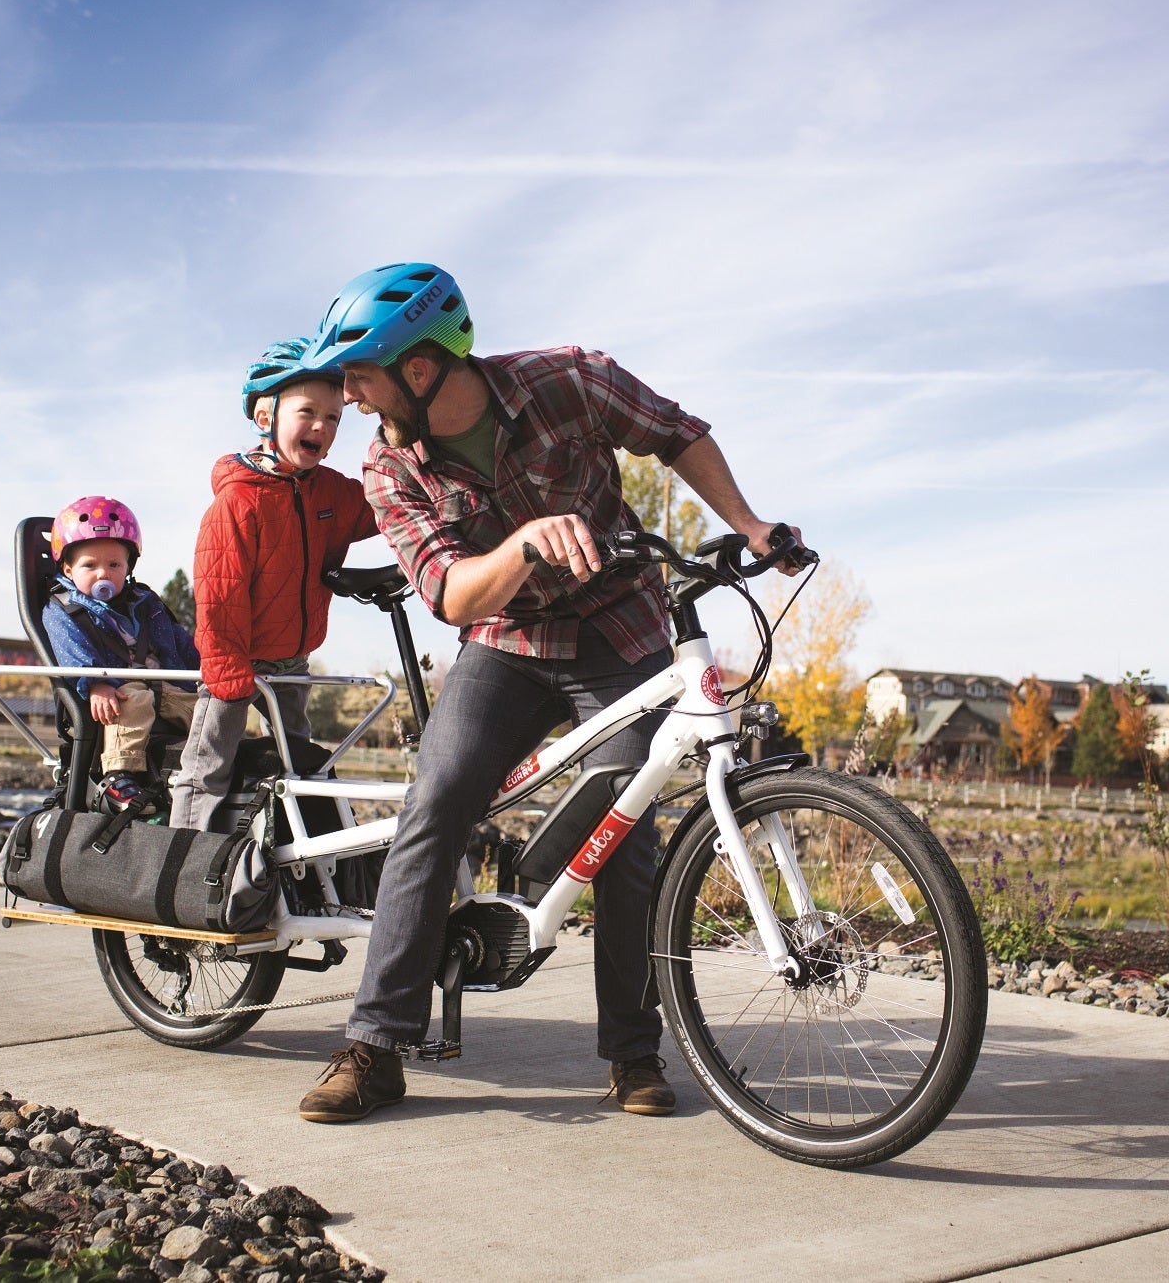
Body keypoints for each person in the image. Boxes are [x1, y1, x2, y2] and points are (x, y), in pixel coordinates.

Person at [289, 263, 803, 1123]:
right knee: (439, 798)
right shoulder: (388, 466)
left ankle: (633, 1053)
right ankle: (375, 1046)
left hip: (620, 628)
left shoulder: (568, 380)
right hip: (506, 643)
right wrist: (524, 544)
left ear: (419, 367)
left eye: (362, 373)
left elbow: (676, 433)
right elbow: (451, 593)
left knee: (627, 823)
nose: (351, 395)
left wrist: (749, 523)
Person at [168, 340, 380, 831]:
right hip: (236, 660)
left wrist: (404, 455)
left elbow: (378, 507)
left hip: (292, 658)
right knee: (207, 768)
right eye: (307, 411)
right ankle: (182, 862)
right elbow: (219, 592)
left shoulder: (328, 490)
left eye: (333, 418)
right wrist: (223, 665)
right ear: (266, 417)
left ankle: (284, 858)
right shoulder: (240, 501)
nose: (322, 427)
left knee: (296, 761)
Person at [40, 497, 199, 809]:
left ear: (128, 567)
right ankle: (116, 776)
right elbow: (72, 653)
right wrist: (94, 684)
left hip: (167, 687)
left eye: (114, 565)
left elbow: (179, 641)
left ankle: (229, 766)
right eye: (90, 566)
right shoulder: (63, 611)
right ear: (69, 569)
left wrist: (209, 668)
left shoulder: (144, 602)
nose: (103, 574)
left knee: (210, 713)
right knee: (131, 701)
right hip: (116, 691)